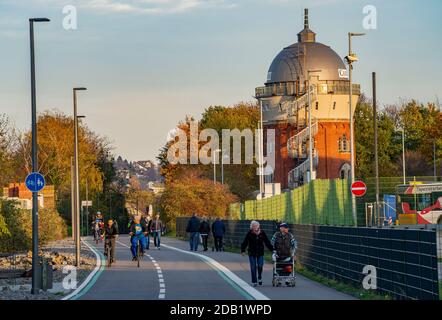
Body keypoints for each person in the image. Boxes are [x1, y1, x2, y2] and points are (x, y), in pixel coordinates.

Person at [241, 221, 273, 287]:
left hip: (260, 252)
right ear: (251, 227)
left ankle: (259, 277)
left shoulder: (262, 233)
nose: (254, 227)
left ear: (258, 226)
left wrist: (272, 250)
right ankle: (254, 281)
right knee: (253, 267)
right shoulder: (249, 233)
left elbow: (267, 242)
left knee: (260, 266)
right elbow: (245, 242)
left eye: (256, 226)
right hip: (251, 253)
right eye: (253, 226)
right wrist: (243, 250)